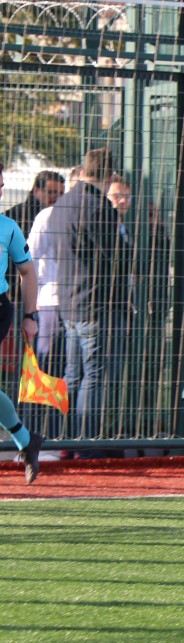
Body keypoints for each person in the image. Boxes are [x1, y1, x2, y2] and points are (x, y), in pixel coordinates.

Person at [44, 148, 129, 449]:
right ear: (109, 175)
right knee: (93, 375)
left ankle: (66, 440)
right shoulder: (99, 207)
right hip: (95, 303)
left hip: (69, 302)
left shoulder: (62, 203)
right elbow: (117, 255)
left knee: (72, 373)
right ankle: (87, 443)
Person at [0, 164, 43, 483]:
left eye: (1, 185)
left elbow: (27, 272)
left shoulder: (9, 227)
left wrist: (30, 316)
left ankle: (26, 440)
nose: (0, 191)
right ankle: (27, 440)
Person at [3, 170, 65, 238]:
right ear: (36, 191)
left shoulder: (62, 217)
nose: (57, 198)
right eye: (52, 192)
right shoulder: (12, 216)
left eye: (61, 194)